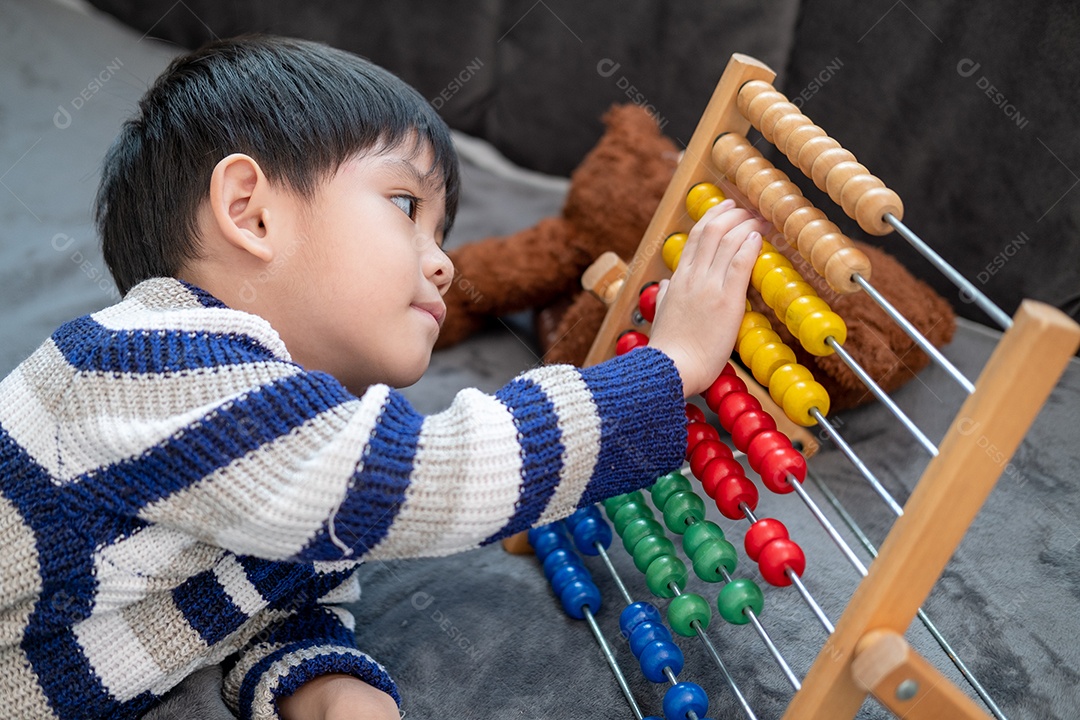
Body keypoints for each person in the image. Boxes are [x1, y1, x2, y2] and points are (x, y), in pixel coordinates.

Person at [0, 35, 766, 720]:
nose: (444, 261)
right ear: (251, 213)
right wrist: (668, 370)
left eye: (443, 233)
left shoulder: (295, 458)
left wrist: (326, 685)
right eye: (405, 205)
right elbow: (401, 481)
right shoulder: (149, 363)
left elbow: (280, 599)